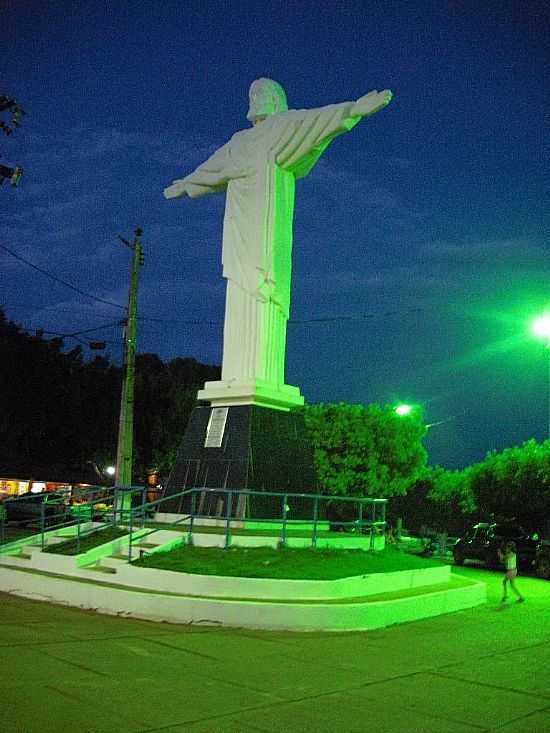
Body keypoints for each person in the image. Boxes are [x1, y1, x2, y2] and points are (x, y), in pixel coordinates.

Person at [164, 79, 392, 406]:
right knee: (239, 287)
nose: (255, 98)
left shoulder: (283, 127)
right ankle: (235, 378)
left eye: (261, 93)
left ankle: (260, 375)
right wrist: (186, 184)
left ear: (275, 99)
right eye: (251, 93)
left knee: (263, 292)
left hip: (266, 230)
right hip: (239, 227)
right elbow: (212, 168)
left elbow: (316, 122)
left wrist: (354, 110)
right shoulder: (239, 141)